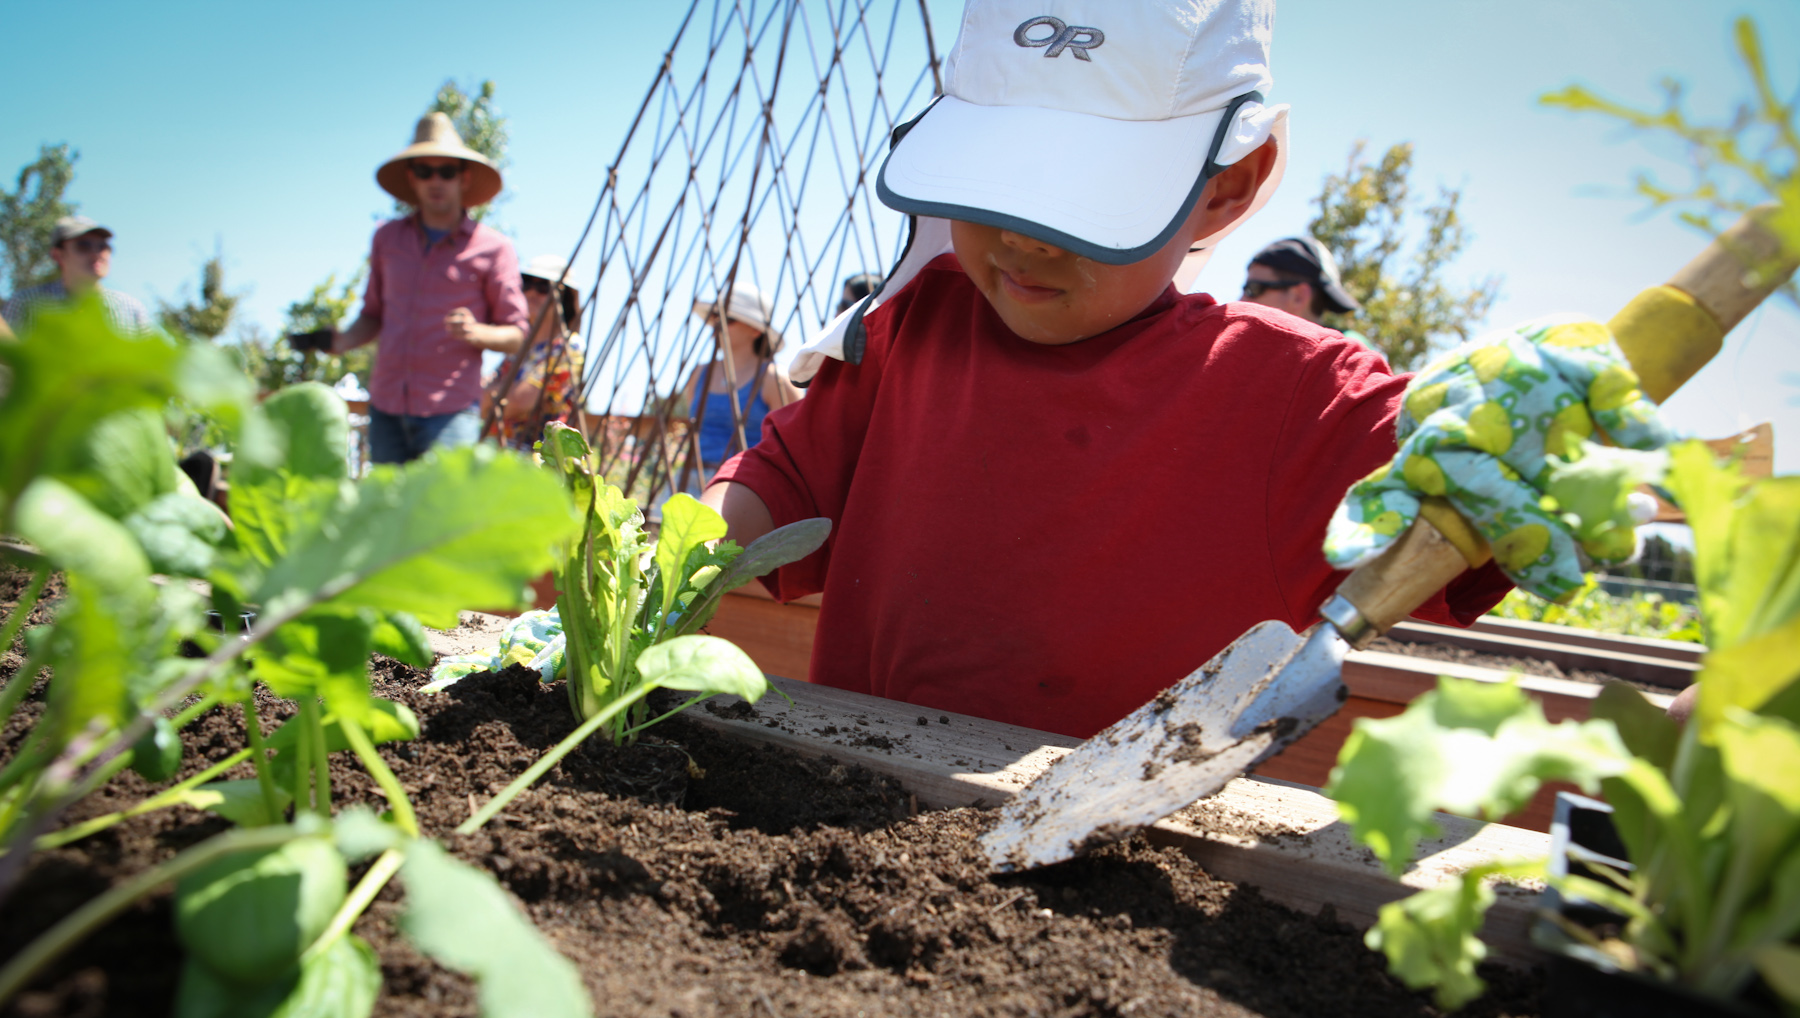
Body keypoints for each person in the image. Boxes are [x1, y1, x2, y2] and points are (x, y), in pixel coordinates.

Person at [698, 0, 1664, 741]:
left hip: (1117, 883)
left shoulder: (1298, 399)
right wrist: (655, 568)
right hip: (843, 802)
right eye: (996, 185)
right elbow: (778, 486)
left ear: (1227, 189)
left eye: (1087, 199)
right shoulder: (920, 329)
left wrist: (1524, 415)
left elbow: (1460, 473)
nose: (1025, 240)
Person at [289, 113, 528, 464]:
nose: (435, 180)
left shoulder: (494, 248)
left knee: (440, 514)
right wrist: (338, 341)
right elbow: (373, 316)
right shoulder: (387, 239)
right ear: (411, 178)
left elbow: (517, 334)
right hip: (386, 406)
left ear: (463, 178)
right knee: (389, 513)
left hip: (450, 412)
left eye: (446, 171)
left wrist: (476, 332)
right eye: (424, 170)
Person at [681, 282, 800, 480]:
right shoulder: (700, 373)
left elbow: (791, 444)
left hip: (743, 484)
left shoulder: (773, 379)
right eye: (714, 316)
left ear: (756, 330)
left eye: (728, 318)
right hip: (687, 478)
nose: (716, 323)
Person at [484, 254, 586, 450]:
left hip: (535, 455)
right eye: (527, 284)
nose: (531, 293)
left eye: (543, 287)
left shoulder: (568, 347)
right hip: (497, 446)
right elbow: (484, 401)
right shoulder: (520, 347)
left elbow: (518, 402)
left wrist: (490, 394)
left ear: (563, 296)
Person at [3, 216, 153, 336]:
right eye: (84, 246)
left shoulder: (131, 308)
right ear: (58, 255)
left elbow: (151, 368)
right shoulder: (25, 304)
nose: (96, 254)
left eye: (103, 247)